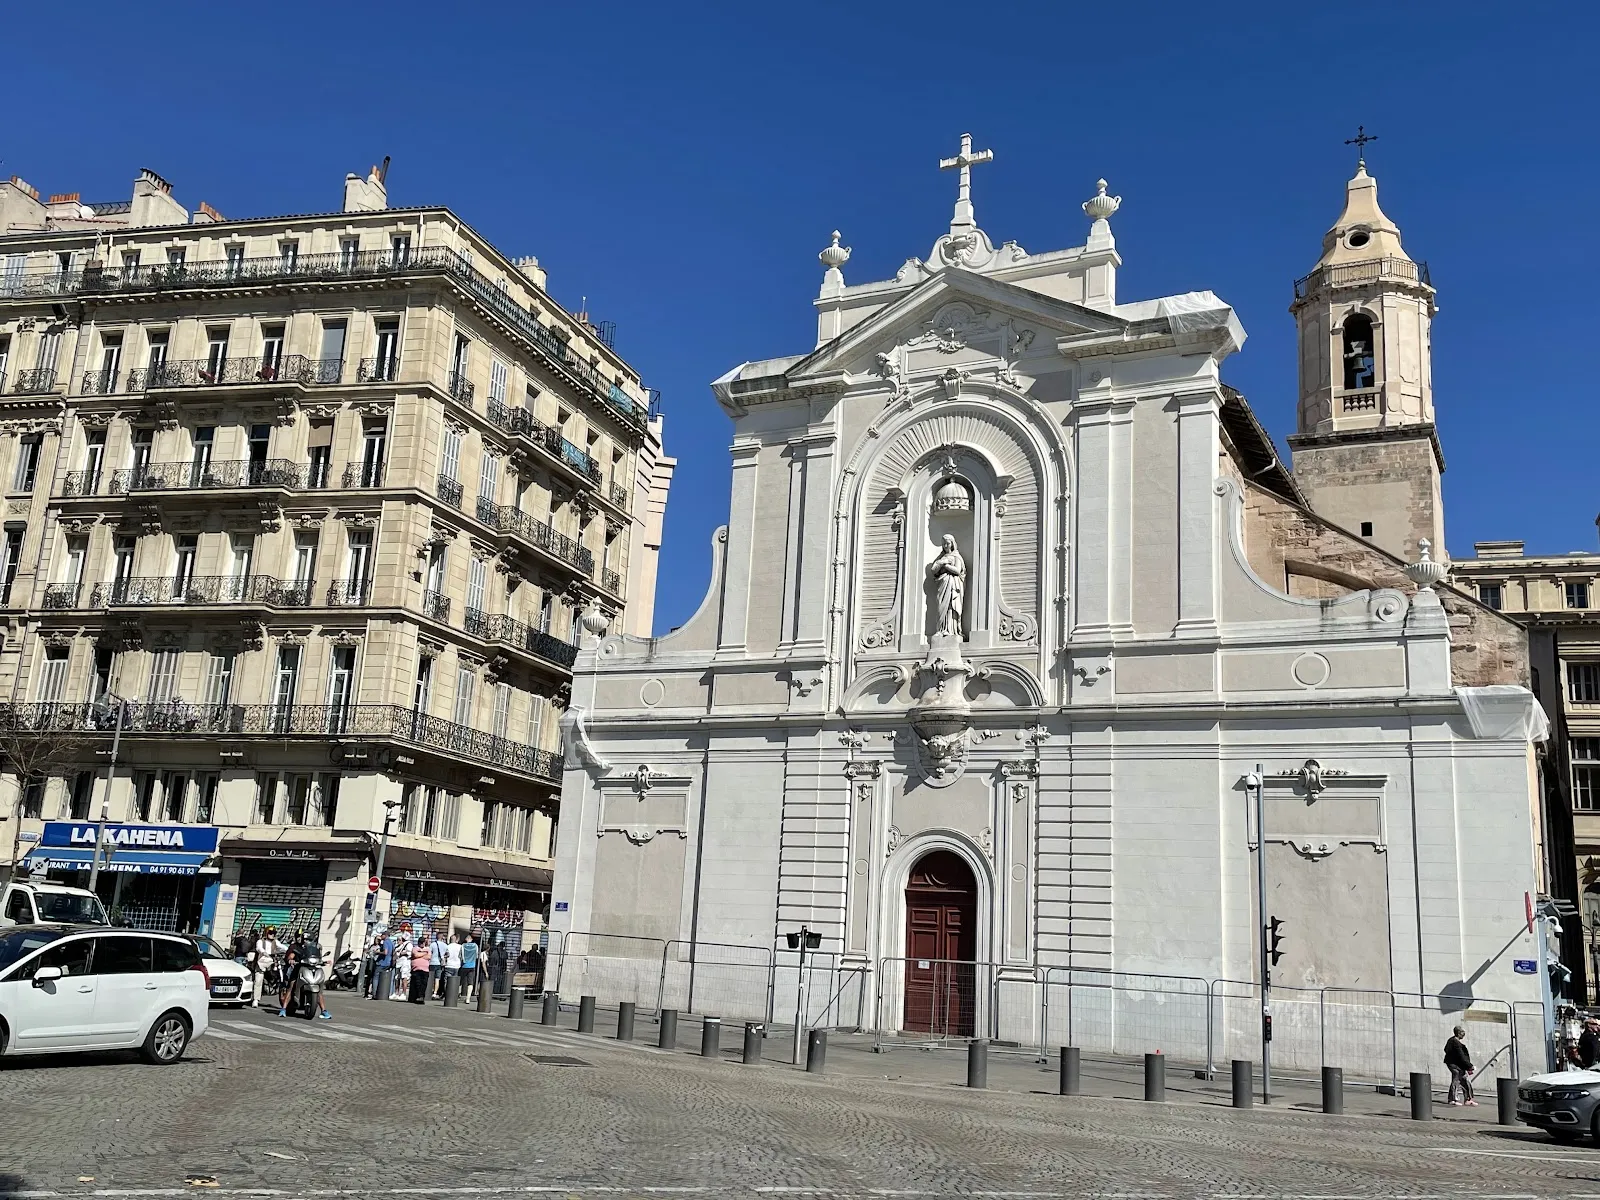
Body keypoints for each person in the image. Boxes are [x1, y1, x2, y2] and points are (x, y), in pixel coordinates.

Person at [252, 926, 284, 1009]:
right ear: (266, 933)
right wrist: (263, 952)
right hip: (262, 961)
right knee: (258, 980)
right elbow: (259, 948)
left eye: (274, 933)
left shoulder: (275, 942)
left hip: (272, 961)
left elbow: (282, 947)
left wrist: (290, 951)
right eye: (270, 933)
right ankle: (256, 999)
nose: (272, 935)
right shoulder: (260, 941)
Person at [1445, 1025, 1477, 1106]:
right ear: (1458, 1033)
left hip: (1458, 1065)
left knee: (1464, 1081)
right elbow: (1461, 1056)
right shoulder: (1455, 1043)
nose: (1463, 1034)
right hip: (1455, 1065)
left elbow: (1446, 1050)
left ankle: (1468, 1099)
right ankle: (1452, 1099)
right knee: (1456, 1079)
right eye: (1462, 1032)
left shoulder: (1453, 1041)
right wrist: (1469, 1066)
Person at [390, 923, 414, 1000]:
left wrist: (402, 953)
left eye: (401, 939)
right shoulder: (398, 946)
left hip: (405, 963)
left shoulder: (408, 944)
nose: (399, 941)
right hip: (398, 963)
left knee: (404, 978)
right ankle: (396, 993)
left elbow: (410, 953)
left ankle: (403, 993)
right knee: (397, 978)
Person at [409, 934, 431, 1003]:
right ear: (418, 942)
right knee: (417, 983)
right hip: (416, 969)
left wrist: (420, 955)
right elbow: (416, 955)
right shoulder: (415, 948)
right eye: (420, 942)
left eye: (423, 942)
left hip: (425, 970)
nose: (422, 944)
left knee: (424, 984)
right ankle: (417, 997)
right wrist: (424, 953)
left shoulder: (428, 949)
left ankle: (421, 997)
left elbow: (428, 957)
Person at [442, 932, 463, 999]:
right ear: (456, 939)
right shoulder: (460, 947)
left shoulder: (447, 946)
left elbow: (444, 956)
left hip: (449, 965)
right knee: (455, 981)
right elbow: (461, 956)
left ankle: (447, 994)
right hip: (457, 965)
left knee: (447, 981)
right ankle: (454, 994)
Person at [460, 933, 480, 1003]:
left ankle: (458, 995)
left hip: (464, 965)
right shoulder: (475, 946)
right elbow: (477, 956)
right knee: (470, 982)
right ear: (471, 939)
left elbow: (460, 956)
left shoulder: (463, 946)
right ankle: (468, 998)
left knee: (460, 980)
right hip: (472, 965)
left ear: (466, 939)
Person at [430, 929, 447, 998]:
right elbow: (448, 954)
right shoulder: (445, 945)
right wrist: (443, 957)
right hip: (439, 964)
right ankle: (435, 992)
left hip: (432, 962)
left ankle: (429, 990)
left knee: (431, 978)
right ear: (442, 937)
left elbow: (429, 953)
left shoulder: (432, 944)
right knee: (437, 978)